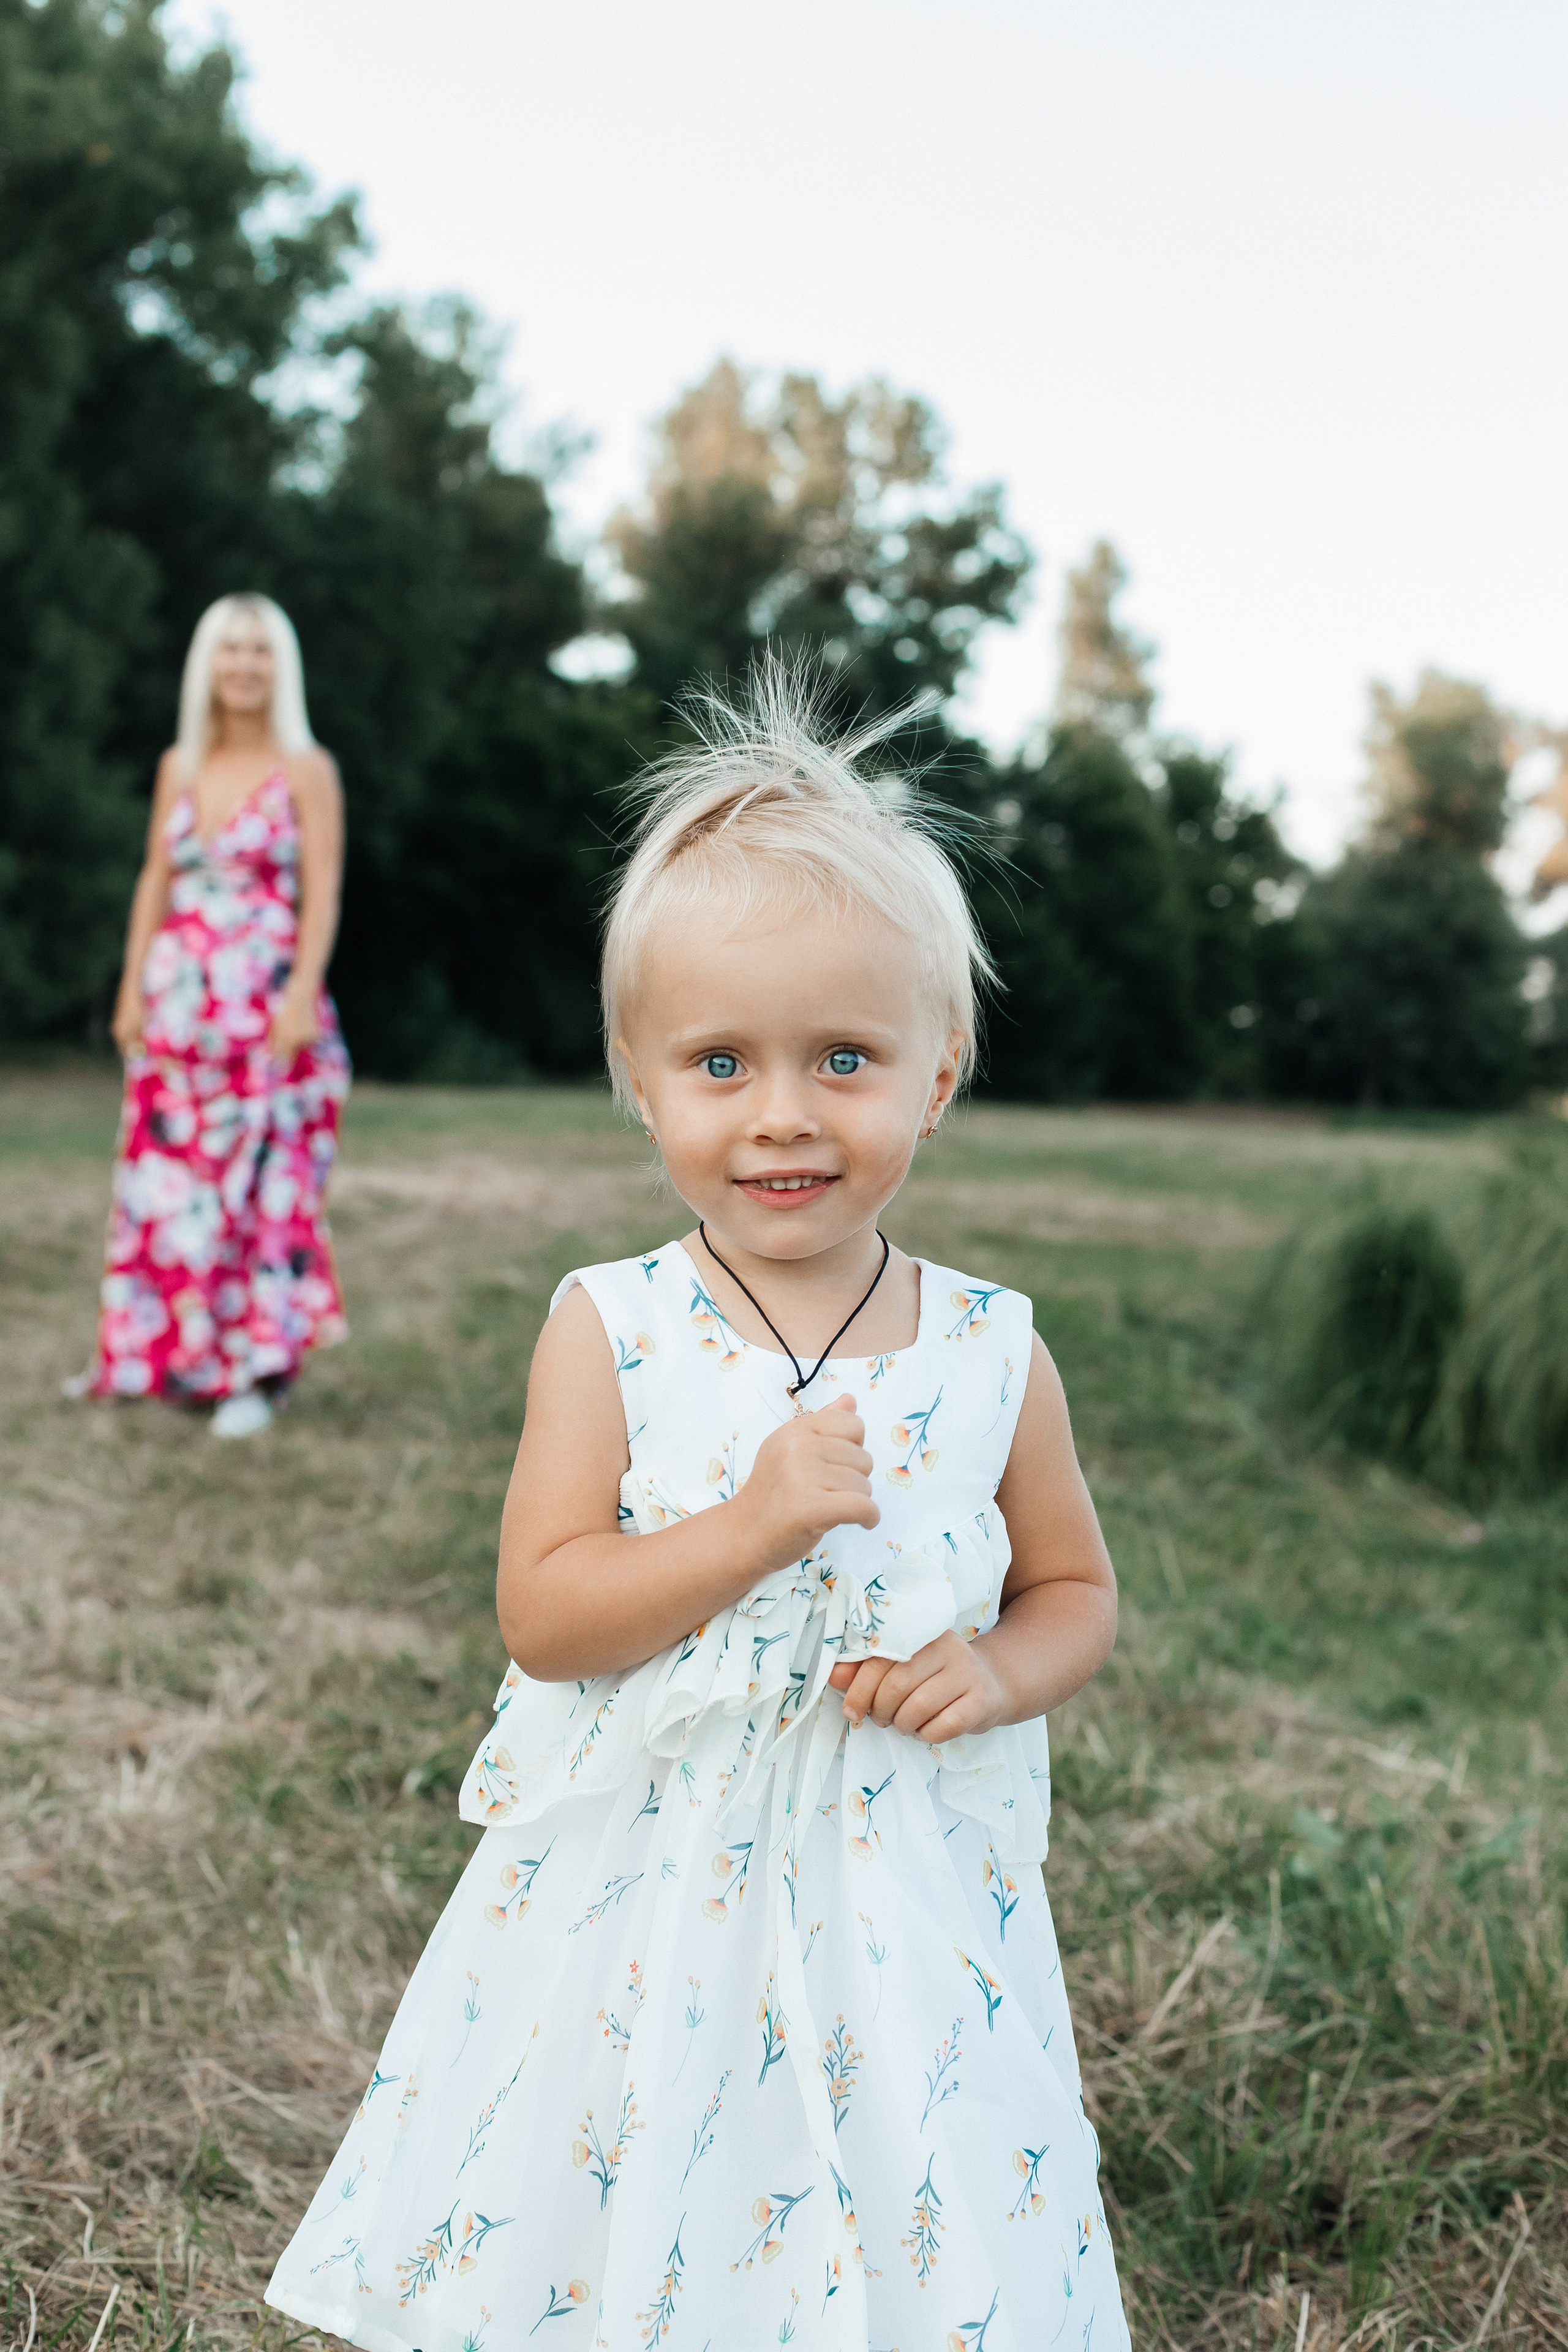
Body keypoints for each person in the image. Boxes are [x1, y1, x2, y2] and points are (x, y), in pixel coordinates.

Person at [265, 663, 1129, 2348]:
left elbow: (1075, 1588)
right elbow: (547, 1609)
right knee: (642, 2176)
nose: (786, 1114)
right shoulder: (616, 1324)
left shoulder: (990, 1351)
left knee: (904, 2184)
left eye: (846, 1058)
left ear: (938, 1073)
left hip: (900, 1893)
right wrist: (746, 1528)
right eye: (722, 1062)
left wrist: (1002, 1673)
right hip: (645, 1900)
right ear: (641, 1080)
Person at [74, 593, 350, 1438]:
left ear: (281, 667)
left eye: (260, 651)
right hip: (179, 1010)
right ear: (208, 664)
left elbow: (325, 888)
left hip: (267, 1013)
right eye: (230, 650)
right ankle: (154, 1357)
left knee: (261, 1189)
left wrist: (303, 992)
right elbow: (155, 878)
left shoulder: (308, 768)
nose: (244, 665)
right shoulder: (178, 766)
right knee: (170, 1187)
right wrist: (129, 987)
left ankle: (255, 1375)